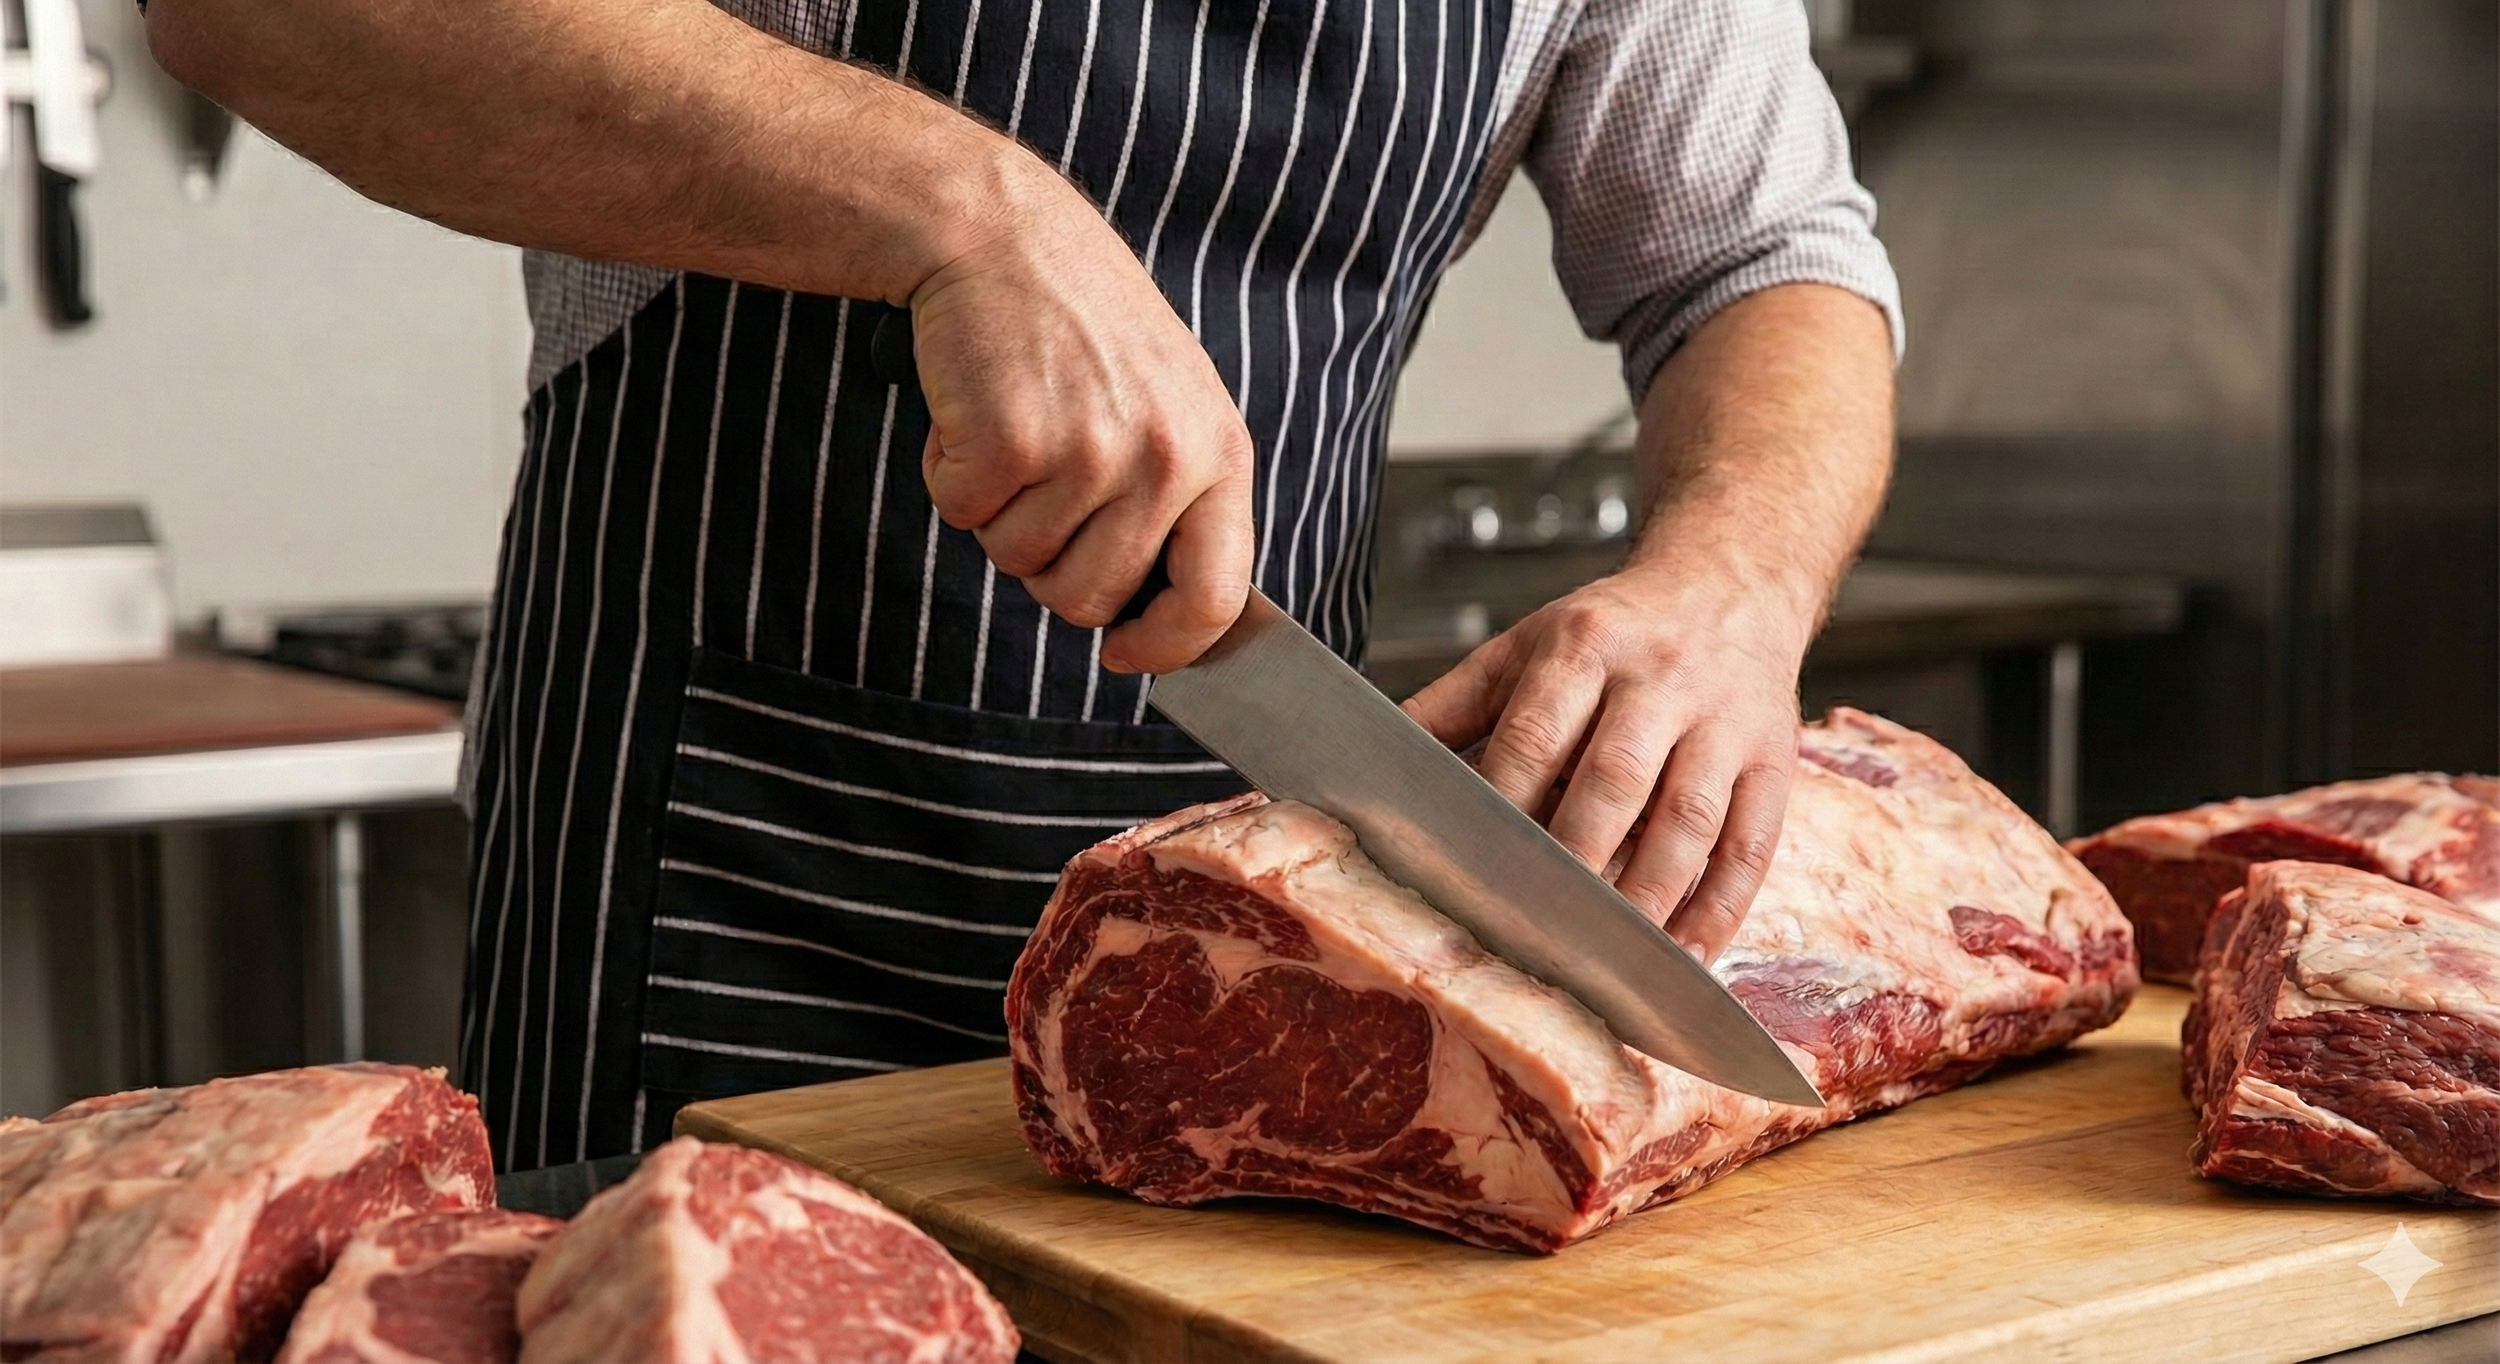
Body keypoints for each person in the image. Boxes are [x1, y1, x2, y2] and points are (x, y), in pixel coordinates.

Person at [148, 0, 1900, 1170]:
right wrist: (965, 213)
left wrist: (1735, 576)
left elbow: (1763, 252)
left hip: (1272, 928)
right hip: (723, 880)